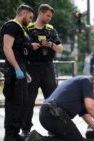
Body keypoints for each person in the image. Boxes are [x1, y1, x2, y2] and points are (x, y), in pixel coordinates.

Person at [25, 76, 94, 141]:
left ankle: (37, 138)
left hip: (48, 114)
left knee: (67, 138)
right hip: (53, 113)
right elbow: (91, 106)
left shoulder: (79, 96)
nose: (93, 94)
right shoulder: (86, 81)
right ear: (93, 83)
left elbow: (91, 122)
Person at [21, 4, 63, 137]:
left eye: (51, 16)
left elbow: (60, 49)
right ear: (40, 13)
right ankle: (25, 129)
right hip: (31, 67)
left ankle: (53, 129)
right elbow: (20, 47)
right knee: (28, 100)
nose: (49, 18)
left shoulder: (51, 30)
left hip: (47, 67)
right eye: (48, 15)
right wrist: (30, 46)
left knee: (52, 101)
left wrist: (51, 44)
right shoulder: (28, 28)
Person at [0, 4, 34, 141]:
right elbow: (7, 48)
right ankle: (10, 135)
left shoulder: (21, 29)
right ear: (23, 13)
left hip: (19, 68)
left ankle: (15, 133)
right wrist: (17, 68)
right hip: (13, 70)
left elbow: (19, 52)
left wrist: (23, 71)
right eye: (30, 17)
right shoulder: (11, 26)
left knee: (23, 103)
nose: (31, 20)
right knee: (14, 104)